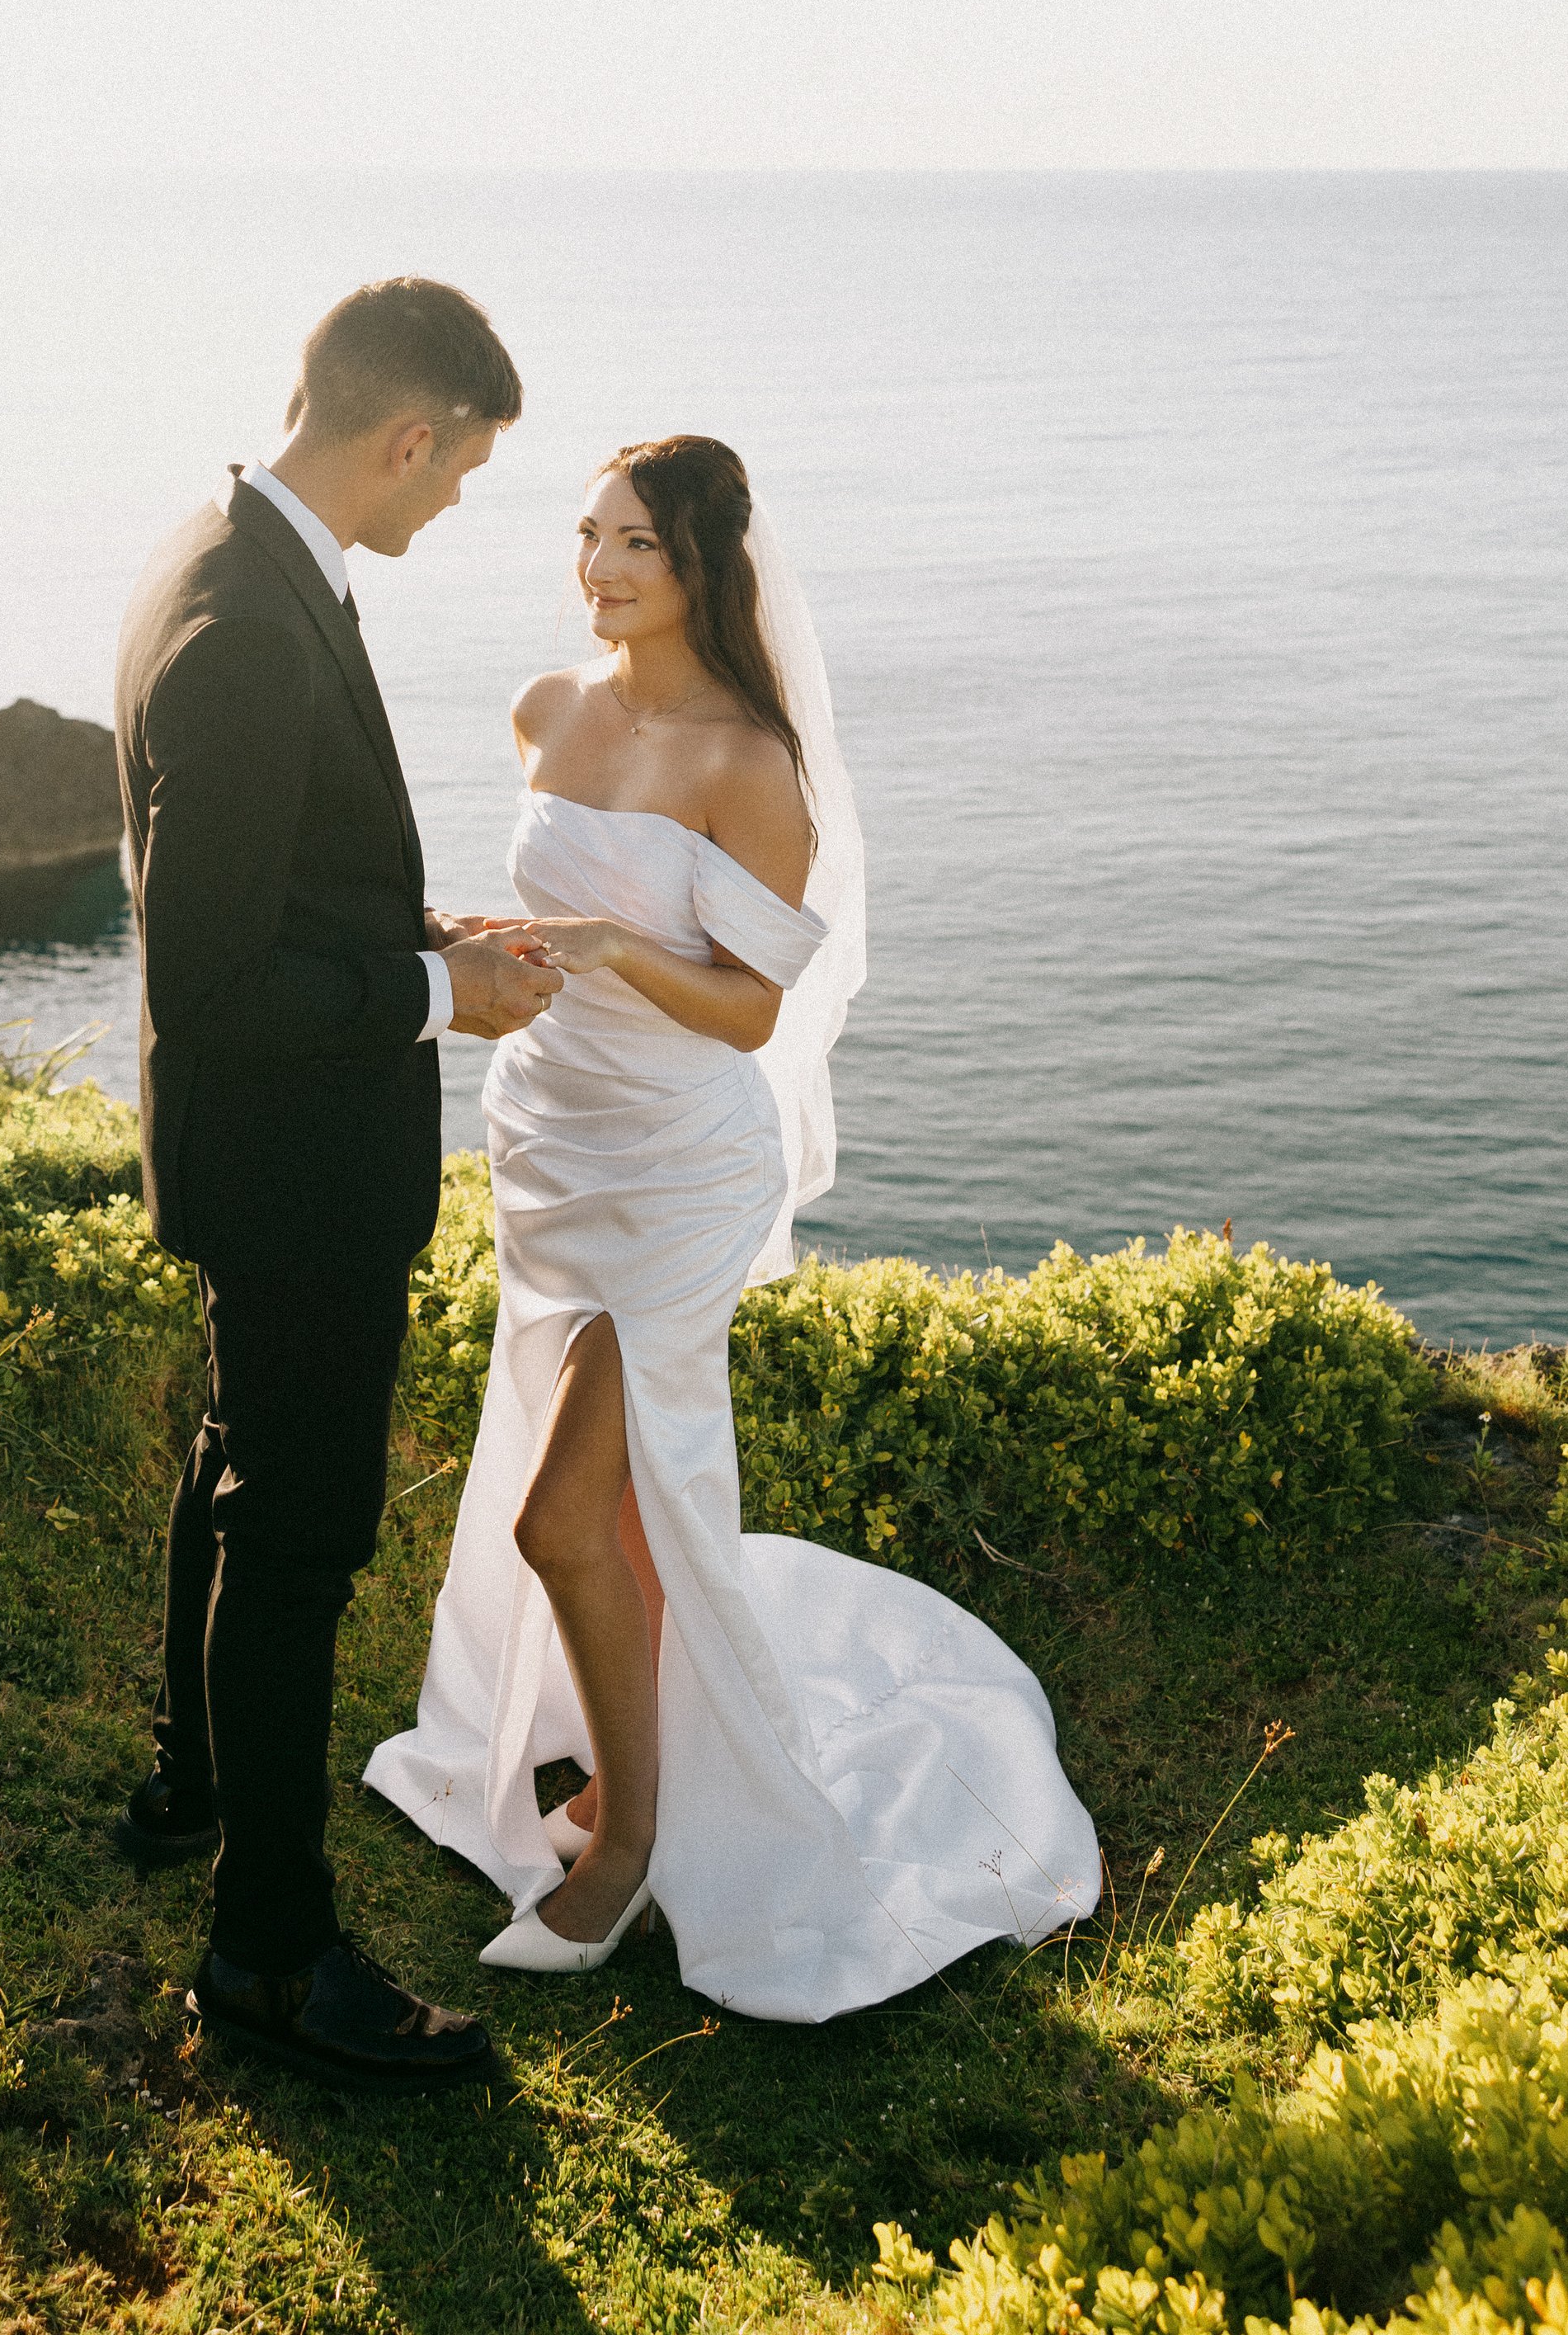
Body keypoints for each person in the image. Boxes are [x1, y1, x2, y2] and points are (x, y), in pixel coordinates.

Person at [365, 436, 1099, 2019]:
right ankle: (618, 1769)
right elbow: (545, 907)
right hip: (549, 1148)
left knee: (570, 1513)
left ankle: (628, 1848)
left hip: (680, 1174)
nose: (599, 566)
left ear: (704, 564)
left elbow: (753, 1013)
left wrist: (620, 947)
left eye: (634, 543)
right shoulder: (544, 709)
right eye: (587, 536)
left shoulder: (749, 765)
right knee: (596, 1504)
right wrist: (493, 946)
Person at [111, 277, 561, 2091]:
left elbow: (260, 887)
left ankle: (190, 1788)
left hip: (259, 1156)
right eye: (457, 469)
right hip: (295, 1166)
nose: (452, 500)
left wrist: (414, 930)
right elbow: (207, 980)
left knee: (233, 1471)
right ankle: (271, 1957)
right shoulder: (247, 628)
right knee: (297, 1543)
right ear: (403, 436)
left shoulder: (223, 552)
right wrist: (436, 995)